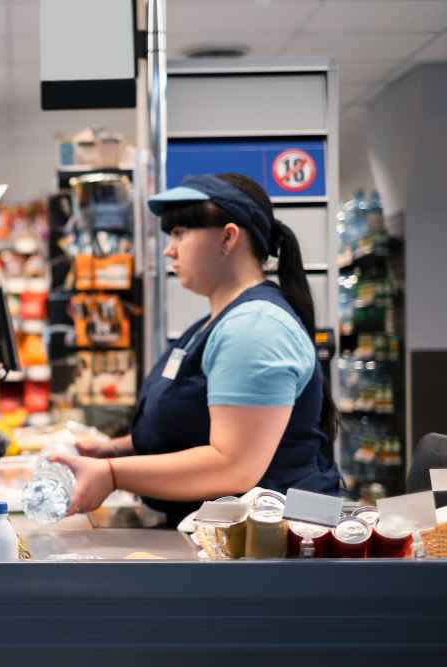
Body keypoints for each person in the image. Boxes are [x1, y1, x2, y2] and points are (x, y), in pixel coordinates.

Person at [53, 173, 340, 525]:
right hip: (231, 541)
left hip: (272, 549)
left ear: (228, 237)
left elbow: (233, 467)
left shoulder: (255, 328)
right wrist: (117, 448)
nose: (168, 248)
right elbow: (197, 423)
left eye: (180, 233)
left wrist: (113, 473)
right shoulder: (219, 321)